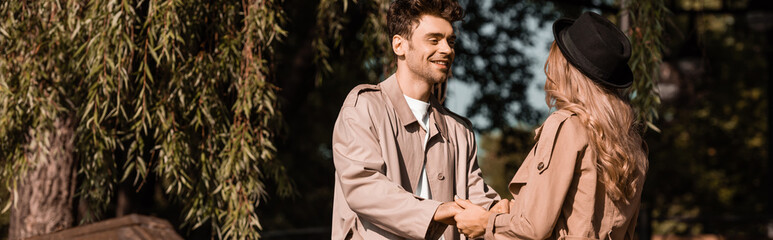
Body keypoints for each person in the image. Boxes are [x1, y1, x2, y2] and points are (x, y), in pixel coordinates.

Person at [452, 12, 649, 239]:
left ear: (565, 69)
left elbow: (535, 227)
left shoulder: (567, 126)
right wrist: (510, 209)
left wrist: (486, 224)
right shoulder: (634, 142)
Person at [331, 0, 509, 239]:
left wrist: (498, 213)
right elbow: (363, 186)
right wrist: (436, 210)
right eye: (434, 40)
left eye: (450, 41)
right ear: (399, 45)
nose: (447, 49)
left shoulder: (459, 131)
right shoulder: (364, 107)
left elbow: (476, 196)